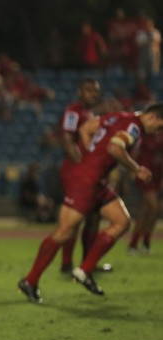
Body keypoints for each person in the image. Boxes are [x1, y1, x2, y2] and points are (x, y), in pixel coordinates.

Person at [18, 103, 163, 303]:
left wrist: (90, 158)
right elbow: (114, 147)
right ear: (154, 117)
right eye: (161, 127)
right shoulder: (134, 127)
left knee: (122, 221)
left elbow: (86, 129)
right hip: (86, 182)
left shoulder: (118, 116)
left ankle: (84, 271)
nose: (158, 132)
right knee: (65, 232)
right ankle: (30, 280)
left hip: (96, 181)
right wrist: (135, 169)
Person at [57, 78, 112, 274]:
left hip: (88, 173)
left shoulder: (90, 114)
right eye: (89, 90)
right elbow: (67, 138)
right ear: (80, 92)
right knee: (76, 218)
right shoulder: (74, 111)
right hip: (76, 172)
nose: (93, 94)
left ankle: (87, 263)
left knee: (93, 217)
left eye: (96, 91)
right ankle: (66, 263)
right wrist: (81, 166)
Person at [128, 130, 163, 254]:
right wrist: (132, 172)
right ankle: (139, 243)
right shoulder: (144, 134)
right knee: (154, 208)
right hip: (145, 174)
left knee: (145, 211)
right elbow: (134, 154)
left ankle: (139, 244)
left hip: (157, 175)